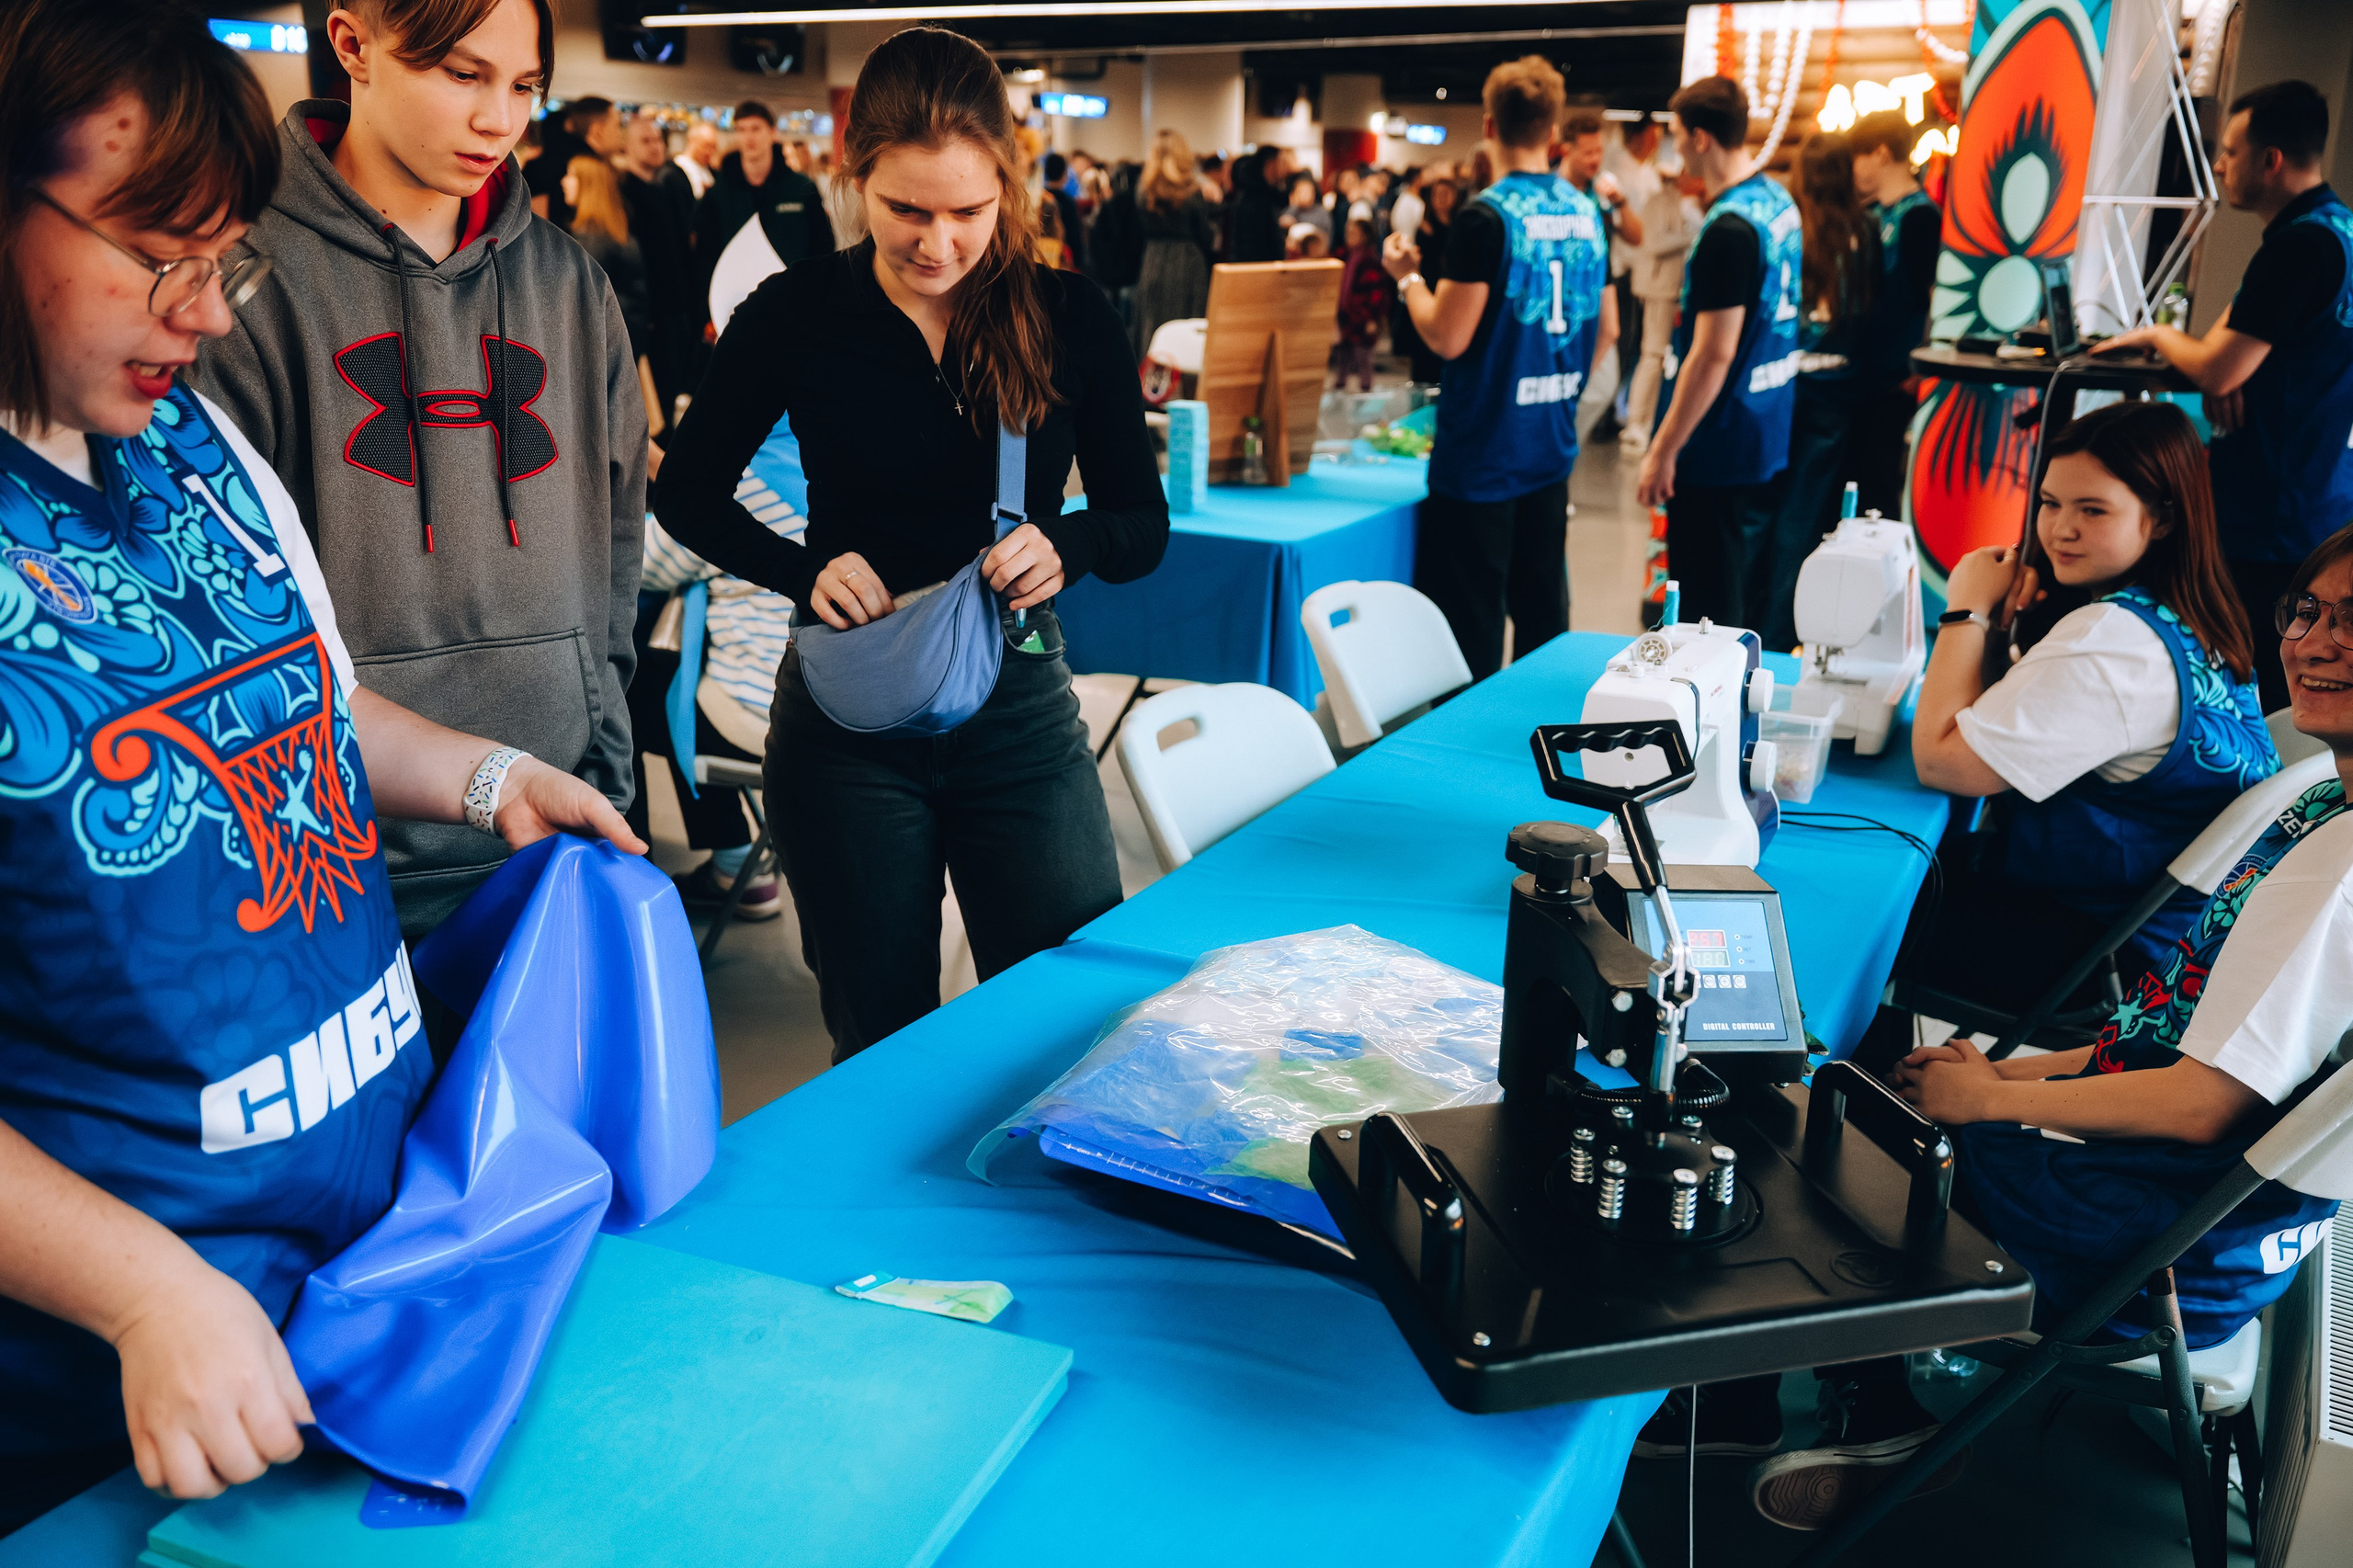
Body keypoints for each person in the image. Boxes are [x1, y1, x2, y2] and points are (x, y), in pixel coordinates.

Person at [0, 0, 641, 1531]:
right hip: (121, 1388)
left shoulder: (193, 440)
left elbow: (322, 709)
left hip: (362, 1280)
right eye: (161, 257)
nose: (210, 314)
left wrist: (494, 783)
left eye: (228, 261)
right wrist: (148, 1294)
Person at [1652, 518, 2353, 1530]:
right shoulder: (2323, 807)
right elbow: (2176, 1027)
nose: (2317, 638)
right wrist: (2013, 1079)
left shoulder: (2334, 868)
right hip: (2201, 1220)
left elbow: (2204, 1100)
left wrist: (1985, 1098)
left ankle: (1777, 1396)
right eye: (2309, 610)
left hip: (2147, 1245)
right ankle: (1857, 1391)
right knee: (1887, 1082)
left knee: (1795, 1115)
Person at [654, 28, 1168, 1059]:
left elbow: (1139, 520)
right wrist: (803, 565)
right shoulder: (795, 313)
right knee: (878, 1038)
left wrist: (1069, 543)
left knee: (1064, 1019)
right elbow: (686, 492)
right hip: (848, 721)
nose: (938, 243)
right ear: (854, 179)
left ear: (1007, 188)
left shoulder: (1064, 314)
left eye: (969, 213)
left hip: (1016, 704)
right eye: (906, 211)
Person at [193, 0, 647, 940]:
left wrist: (604, 742)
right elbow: (223, 601)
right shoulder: (237, 282)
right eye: (461, 74)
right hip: (330, 857)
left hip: (555, 829)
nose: (500, 120)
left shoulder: (569, 283)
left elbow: (616, 529)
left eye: (525, 86)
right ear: (353, 45)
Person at [1905, 401, 2278, 1015]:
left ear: (2160, 521)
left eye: (2093, 510)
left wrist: (1965, 609)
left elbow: (1946, 764)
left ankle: (1870, 1089)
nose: (2060, 529)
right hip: (2176, 941)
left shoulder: (2113, 644)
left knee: (1863, 909)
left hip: (2105, 960)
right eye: (2050, 503)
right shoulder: (2195, 614)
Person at [2097, 79, 2353, 716]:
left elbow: (2215, 366)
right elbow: (2230, 349)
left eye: (2231, 151)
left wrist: (2161, 334)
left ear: (2270, 160)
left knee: (2259, 682)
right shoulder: (2337, 231)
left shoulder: (2298, 247)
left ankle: (2253, 808)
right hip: (2318, 491)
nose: (2218, 164)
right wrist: (2229, 368)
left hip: (2275, 503)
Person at [1386, 55, 1616, 678]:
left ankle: (1462, 755)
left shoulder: (1486, 218)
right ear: (1554, 131)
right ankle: (1541, 742)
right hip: (1549, 443)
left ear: (1488, 124)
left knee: (1470, 626)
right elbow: (1610, 329)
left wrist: (1409, 279)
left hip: (1483, 453)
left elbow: (1448, 335)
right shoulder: (1589, 212)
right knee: (1543, 612)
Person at [1636, 74, 1802, 627]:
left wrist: (1664, 448)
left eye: (1678, 134)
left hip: (1719, 438)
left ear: (1701, 138)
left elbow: (1713, 353)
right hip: (1766, 424)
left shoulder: (1728, 229)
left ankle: (1709, 708)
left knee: (1708, 605)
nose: (1676, 147)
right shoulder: (1777, 202)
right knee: (1744, 584)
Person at [1744, 131, 1879, 652]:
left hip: (1780, 381)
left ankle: (1739, 620)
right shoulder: (1865, 229)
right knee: (1801, 519)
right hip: (1837, 389)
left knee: (1757, 510)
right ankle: (1776, 637)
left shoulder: (1787, 225)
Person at [1848, 108, 1941, 519]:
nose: (1853, 170)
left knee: (1878, 489)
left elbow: (1937, 299)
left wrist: (1920, 372)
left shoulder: (1920, 217)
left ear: (1881, 154)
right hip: (1864, 375)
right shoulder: (1873, 215)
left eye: (1857, 157)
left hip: (1895, 379)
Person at [691, 99, 834, 322]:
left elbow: (822, 247)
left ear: (772, 132)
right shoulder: (719, 193)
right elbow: (705, 255)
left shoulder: (801, 188)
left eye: (756, 129)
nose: (749, 138)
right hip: (735, 306)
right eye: (742, 129)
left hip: (792, 304)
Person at [1560, 108, 1643, 445]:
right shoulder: (1555, 191)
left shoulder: (1604, 190)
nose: (1595, 159)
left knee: (1600, 386)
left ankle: (1564, 451)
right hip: (1561, 300)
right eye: (1588, 151)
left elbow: (1637, 236)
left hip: (1601, 295)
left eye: (1599, 151)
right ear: (1567, 150)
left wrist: (1620, 203)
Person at [565, 156, 660, 441]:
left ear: (588, 185)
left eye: (571, 175)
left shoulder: (588, 240)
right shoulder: (614, 233)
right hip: (626, 343)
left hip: (601, 350)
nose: (564, 181)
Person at [620, 113, 696, 436]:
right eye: (645, 141)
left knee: (675, 392)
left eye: (658, 139)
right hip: (647, 316)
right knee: (653, 407)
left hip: (675, 308)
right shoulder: (624, 194)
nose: (655, 147)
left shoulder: (668, 187)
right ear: (627, 147)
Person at [1623, 165, 1700, 451]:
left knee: (1666, 358)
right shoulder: (1659, 201)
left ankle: (1652, 420)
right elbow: (1653, 242)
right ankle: (1636, 424)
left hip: (1678, 291)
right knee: (1652, 355)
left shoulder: (1693, 204)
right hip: (1658, 289)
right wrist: (1695, 235)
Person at [1130, 129, 1215, 359]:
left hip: (1153, 259)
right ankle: (1186, 385)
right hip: (1188, 262)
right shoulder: (1193, 191)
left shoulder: (1143, 192)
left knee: (1152, 323)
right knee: (1186, 324)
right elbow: (1206, 237)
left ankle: (1152, 386)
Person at [1396, 176, 1459, 384]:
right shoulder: (1424, 226)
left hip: (1452, 292)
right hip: (1428, 289)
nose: (1441, 199)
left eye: (1446, 194)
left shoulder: (1461, 226)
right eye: (1437, 194)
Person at [528, 94, 613, 231]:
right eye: (616, 125)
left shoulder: (547, 158)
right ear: (598, 130)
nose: (620, 133)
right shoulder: (585, 164)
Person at [1332, 215, 1391, 392]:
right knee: (1344, 353)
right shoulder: (1344, 256)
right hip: (1346, 314)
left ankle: (1366, 388)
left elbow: (1376, 292)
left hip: (1362, 315)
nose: (1350, 236)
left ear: (1365, 236)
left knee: (1363, 355)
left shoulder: (1369, 261)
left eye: (1354, 233)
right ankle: (1339, 386)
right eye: (1348, 232)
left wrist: (1372, 318)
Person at [1229, 143, 1294, 264]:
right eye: (1283, 162)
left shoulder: (1268, 194)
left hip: (1265, 267)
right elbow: (1249, 245)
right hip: (1256, 270)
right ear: (1271, 164)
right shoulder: (1252, 197)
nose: (1287, 168)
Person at [1040, 151, 1086, 276]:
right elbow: (1074, 234)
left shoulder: (1040, 198)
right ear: (1064, 174)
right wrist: (1078, 262)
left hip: (1041, 258)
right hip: (1062, 258)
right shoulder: (1068, 202)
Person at [1279, 170, 1334, 246]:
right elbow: (1282, 223)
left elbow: (1327, 239)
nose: (1304, 195)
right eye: (1301, 192)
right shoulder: (1292, 209)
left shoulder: (1322, 213)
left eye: (1307, 192)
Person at [675, 119, 720, 201]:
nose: (710, 152)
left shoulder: (712, 172)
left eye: (713, 147)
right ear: (692, 141)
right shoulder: (677, 168)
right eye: (707, 146)